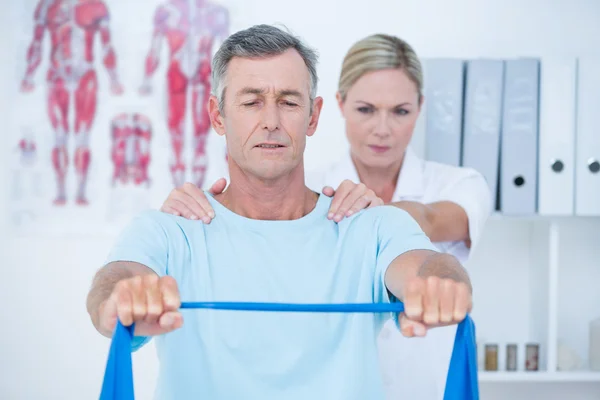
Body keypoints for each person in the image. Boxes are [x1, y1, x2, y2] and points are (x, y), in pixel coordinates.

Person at [86, 25, 474, 400]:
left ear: (313, 116)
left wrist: (441, 283)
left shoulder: (373, 225)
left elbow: (426, 266)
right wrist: (120, 298)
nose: (271, 121)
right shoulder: (168, 230)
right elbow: (114, 283)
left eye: (288, 102)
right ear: (218, 116)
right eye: (252, 101)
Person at [21, 0, 124, 206]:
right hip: (57, 76)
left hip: (85, 77)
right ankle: (60, 191)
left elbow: (106, 45)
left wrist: (113, 78)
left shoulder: (96, 6)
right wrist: (29, 75)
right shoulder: (47, 6)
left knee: (82, 136)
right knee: (59, 134)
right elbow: (37, 42)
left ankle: (80, 192)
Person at [139, 0, 230, 188]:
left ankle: (195, 193)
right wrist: (146, 79)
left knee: (199, 139)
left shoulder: (216, 12)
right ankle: (180, 193)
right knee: (176, 136)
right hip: (177, 75)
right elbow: (155, 49)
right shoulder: (166, 11)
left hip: (202, 76)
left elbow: (227, 53)